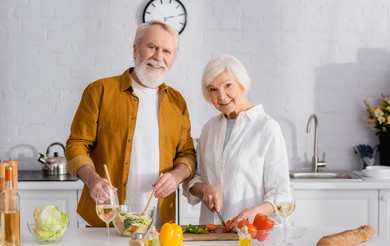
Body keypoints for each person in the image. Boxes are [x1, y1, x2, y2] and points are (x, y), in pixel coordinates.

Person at [65, 20, 196, 227]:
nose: (158, 57)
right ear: (135, 49)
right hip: (105, 219)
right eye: (151, 47)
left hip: (157, 222)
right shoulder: (100, 91)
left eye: (167, 51)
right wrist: (92, 179)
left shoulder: (177, 102)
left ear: (173, 58)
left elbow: (187, 154)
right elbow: (76, 144)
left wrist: (176, 176)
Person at [182, 54, 290, 228]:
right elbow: (194, 179)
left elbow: (282, 194)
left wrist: (255, 213)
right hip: (211, 233)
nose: (222, 96)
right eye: (213, 89)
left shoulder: (267, 128)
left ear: (242, 83)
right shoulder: (209, 128)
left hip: (250, 234)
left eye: (228, 85)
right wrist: (204, 189)